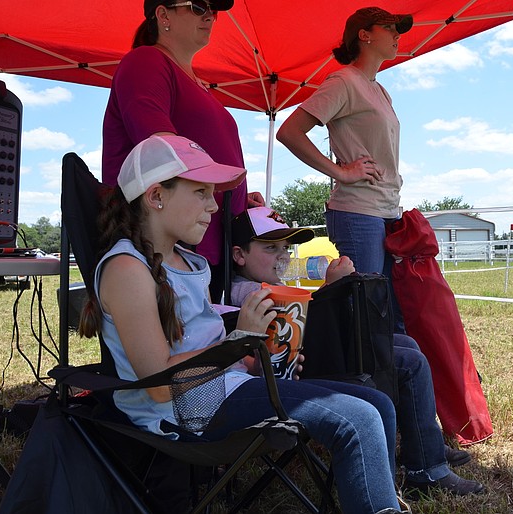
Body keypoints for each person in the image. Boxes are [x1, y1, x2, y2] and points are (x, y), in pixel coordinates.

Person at [79, 134, 406, 514]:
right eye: (201, 193)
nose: (212, 207)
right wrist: (240, 340)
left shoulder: (185, 260)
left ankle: (380, 499)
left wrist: (256, 357)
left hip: (226, 385)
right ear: (156, 196)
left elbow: (205, 343)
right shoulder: (127, 269)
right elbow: (160, 387)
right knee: (357, 418)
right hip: (184, 412)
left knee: (377, 402)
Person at [229, 207, 487, 498]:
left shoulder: (270, 284)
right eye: (270, 247)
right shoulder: (250, 293)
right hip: (296, 372)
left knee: (405, 345)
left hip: (309, 360)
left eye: (286, 248)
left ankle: (424, 446)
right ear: (240, 255)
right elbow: (306, 325)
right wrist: (332, 287)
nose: (283, 256)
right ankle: (426, 467)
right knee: (408, 360)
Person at [101, 0, 263, 302]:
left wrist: (236, 196)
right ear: (163, 15)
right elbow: (162, 152)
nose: (210, 17)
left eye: (213, 11)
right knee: (184, 348)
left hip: (202, 237)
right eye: (198, 7)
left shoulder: (196, 83)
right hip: (167, 242)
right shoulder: (146, 61)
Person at [275, 7, 412, 308]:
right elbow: (289, 132)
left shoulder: (381, 91)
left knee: (387, 309)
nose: (397, 35)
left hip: (386, 210)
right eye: (389, 27)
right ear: (364, 35)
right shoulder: (343, 81)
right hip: (358, 211)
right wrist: (343, 173)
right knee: (365, 311)